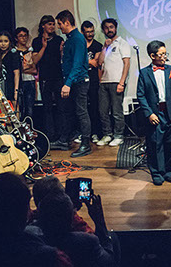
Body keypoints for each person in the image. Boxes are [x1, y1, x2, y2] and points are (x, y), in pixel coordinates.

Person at [136, 40, 171, 186]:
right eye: (161, 54)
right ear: (152, 56)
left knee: (170, 143)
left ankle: (170, 171)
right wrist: (149, 113)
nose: (164, 57)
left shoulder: (170, 69)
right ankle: (157, 172)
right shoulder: (144, 73)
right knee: (155, 144)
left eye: (165, 54)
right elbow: (141, 95)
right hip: (155, 114)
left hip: (170, 112)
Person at [51, 10, 92, 157]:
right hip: (72, 81)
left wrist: (67, 83)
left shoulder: (77, 38)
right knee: (68, 111)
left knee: (81, 112)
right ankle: (64, 140)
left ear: (67, 22)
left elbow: (77, 64)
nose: (59, 27)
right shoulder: (70, 39)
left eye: (60, 24)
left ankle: (86, 145)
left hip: (79, 82)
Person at [97, 18, 131, 148]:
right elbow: (100, 62)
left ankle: (118, 136)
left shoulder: (122, 43)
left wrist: (122, 82)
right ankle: (107, 134)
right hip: (104, 81)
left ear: (115, 28)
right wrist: (105, 47)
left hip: (116, 82)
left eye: (111, 27)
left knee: (117, 111)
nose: (109, 30)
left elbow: (126, 64)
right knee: (103, 111)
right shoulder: (105, 45)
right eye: (106, 28)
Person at [31, 15, 64, 145]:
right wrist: (44, 47)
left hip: (58, 77)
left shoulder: (59, 40)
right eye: (49, 24)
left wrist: (62, 51)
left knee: (61, 107)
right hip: (45, 78)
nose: (52, 26)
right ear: (43, 25)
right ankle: (50, 135)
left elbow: (62, 59)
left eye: (53, 24)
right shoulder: (37, 41)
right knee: (47, 108)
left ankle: (61, 135)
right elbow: (35, 60)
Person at [81, 20, 103, 144]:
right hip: (80, 79)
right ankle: (84, 133)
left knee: (94, 107)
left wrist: (82, 61)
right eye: (87, 32)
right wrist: (87, 61)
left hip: (93, 80)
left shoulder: (97, 45)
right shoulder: (80, 45)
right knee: (82, 108)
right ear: (82, 32)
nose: (90, 34)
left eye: (92, 31)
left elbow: (95, 62)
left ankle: (95, 133)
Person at [14, 26, 37, 121]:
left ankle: (29, 126)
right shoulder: (14, 51)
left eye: (25, 36)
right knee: (19, 106)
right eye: (21, 36)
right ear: (16, 38)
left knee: (29, 107)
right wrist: (25, 68)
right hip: (18, 82)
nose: (23, 38)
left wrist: (24, 69)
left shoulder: (30, 51)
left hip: (29, 80)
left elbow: (35, 70)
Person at [0, 31, 20, 109]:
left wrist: (16, 91)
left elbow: (16, 73)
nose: (3, 44)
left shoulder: (13, 54)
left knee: (14, 109)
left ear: (9, 42)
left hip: (12, 86)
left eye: (6, 41)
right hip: (2, 86)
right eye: (1, 41)